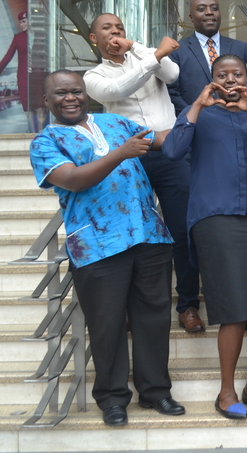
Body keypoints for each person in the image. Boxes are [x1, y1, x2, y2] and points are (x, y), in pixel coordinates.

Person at [30, 70, 183, 426]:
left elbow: (162, 139)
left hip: (148, 235)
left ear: (87, 95)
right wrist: (121, 153)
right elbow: (73, 179)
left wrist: (200, 111)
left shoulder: (114, 122)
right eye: (61, 93)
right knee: (106, 324)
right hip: (96, 245)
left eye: (77, 92)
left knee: (153, 319)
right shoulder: (45, 141)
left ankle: (156, 391)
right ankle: (112, 398)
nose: (71, 98)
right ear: (47, 100)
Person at [163, 54, 247, 420]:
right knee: (233, 312)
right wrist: (198, 104)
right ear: (212, 78)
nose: (230, 80)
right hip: (213, 218)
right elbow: (171, 151)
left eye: (237, 74)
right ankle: (226, 391)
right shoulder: (198, 113)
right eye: (222, 75)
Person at [82, 13, 204, 334]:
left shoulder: (142, 52)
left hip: (169, 151)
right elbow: (120, 88)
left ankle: (188, 303)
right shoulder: (93, 76)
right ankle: (123, 306)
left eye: (119, 28)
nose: (115, 33)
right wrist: (156, 54)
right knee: (129, 234)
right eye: (107, 29)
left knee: (182, 228)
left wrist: (140, 48)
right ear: (94, 39)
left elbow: (173, 73)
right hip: (127, 157)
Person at [168, 0, 247, 114]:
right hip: (195, 124)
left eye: (214, 8)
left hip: (236, 119)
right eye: (201, 9)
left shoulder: (241, 48)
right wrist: (192, 116)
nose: (209, 12)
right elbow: (172, 93)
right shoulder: (177, 51)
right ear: (191, 17)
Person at [0, 11, 45, 132]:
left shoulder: (41, 35)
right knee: (27, 105)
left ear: (31, 21)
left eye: (24, 21)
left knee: (40, 104)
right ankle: (32, 131)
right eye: (20, 22)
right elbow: (8, 56)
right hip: (23, 76)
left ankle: (41, 131)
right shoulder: (18, 38)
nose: (22, 24)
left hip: (38, 75)